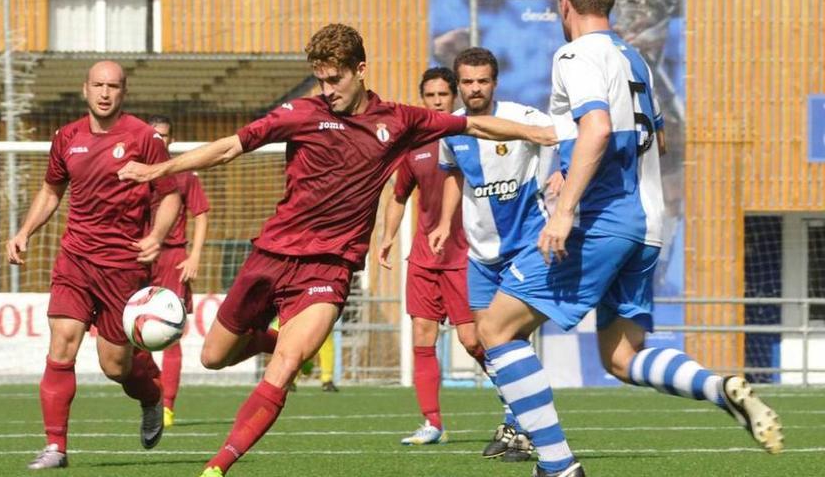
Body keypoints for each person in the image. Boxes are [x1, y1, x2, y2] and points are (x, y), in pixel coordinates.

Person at [117, 23, 556, 477]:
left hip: (329, 268)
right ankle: (277, 341)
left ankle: (218, 466)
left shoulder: (398, 121)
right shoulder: (300, 113)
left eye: (335, 79)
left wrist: (538, 133)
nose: (327, 91)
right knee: (213, 358)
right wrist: (158, 170)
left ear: (360, 70)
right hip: (271, 256)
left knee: (285, 366)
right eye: (320, 80)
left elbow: (475, 123)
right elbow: (231, 147)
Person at [474, 0, 784, 477]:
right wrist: (573, 166)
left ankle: (557, 467)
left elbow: (596, 128)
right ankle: (718, 387)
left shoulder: (575, 53)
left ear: (564, 3)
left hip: (602, 221)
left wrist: (565, 208)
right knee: (621, 357)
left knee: (495, 328)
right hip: (647, 224)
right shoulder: (633, 57)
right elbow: (656, 140)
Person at [6, 61, 181, 470]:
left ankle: (151, 395)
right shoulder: (66, 137)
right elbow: (51, 191)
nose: (105, 93)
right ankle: (55, 447)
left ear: (124, 92)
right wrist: (24, 231)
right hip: (76, 259)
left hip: (123, 268)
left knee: (114, 367)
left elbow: (169, 194)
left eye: (113, 86)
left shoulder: (145, 138)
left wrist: (156, 236)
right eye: (98, 85)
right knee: (62, 343)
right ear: (85, 89)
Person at [427, 48, 559, 462]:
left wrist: (563, 172)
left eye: (482, 81)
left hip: (523, 247)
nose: (475, 88)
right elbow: (453, 177)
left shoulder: (524, 118)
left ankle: (523, 427)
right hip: (481, 252)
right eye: (467, 82)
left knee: (509, 337)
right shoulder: (452, 132)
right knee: (481, 339)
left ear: (495, 83)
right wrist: (445, 224)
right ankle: (517, 422)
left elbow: (562, 136)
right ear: (458, 85)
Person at [380, 66, 501, 450]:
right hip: (422, 258)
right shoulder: (413, 145)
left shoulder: (470, 135)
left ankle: (518, 403)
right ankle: (431, 423)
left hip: (464, 256)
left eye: (442, 95)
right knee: (422, 336)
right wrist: (386, 238)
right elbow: (399, 196)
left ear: (454, 97)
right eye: (429, 95)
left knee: (471, 339)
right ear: (423, 99)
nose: (436, 101)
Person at [147, 115, 211, 428]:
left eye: (164, 136)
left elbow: (201, 214)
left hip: (173, 259)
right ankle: (151, 397)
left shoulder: (184, 174)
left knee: (171, 336)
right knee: (134, 336)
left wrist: (194, 255)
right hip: (139, 260)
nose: (160, 141)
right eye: (154, 136)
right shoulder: (134, 174)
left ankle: (168, 406)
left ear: (171, 140)